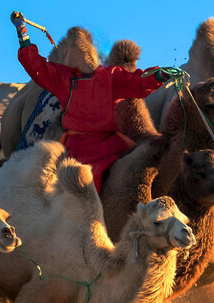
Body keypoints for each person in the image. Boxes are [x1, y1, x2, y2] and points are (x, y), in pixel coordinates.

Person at [11, 11, 177, 192]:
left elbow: (137, 81)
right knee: (78, 185)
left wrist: (160, 74)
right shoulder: (64, 77)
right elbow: (35, 65)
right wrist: (22, 31)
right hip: (78, 147)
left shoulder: (107, 76)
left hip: (108, 142)